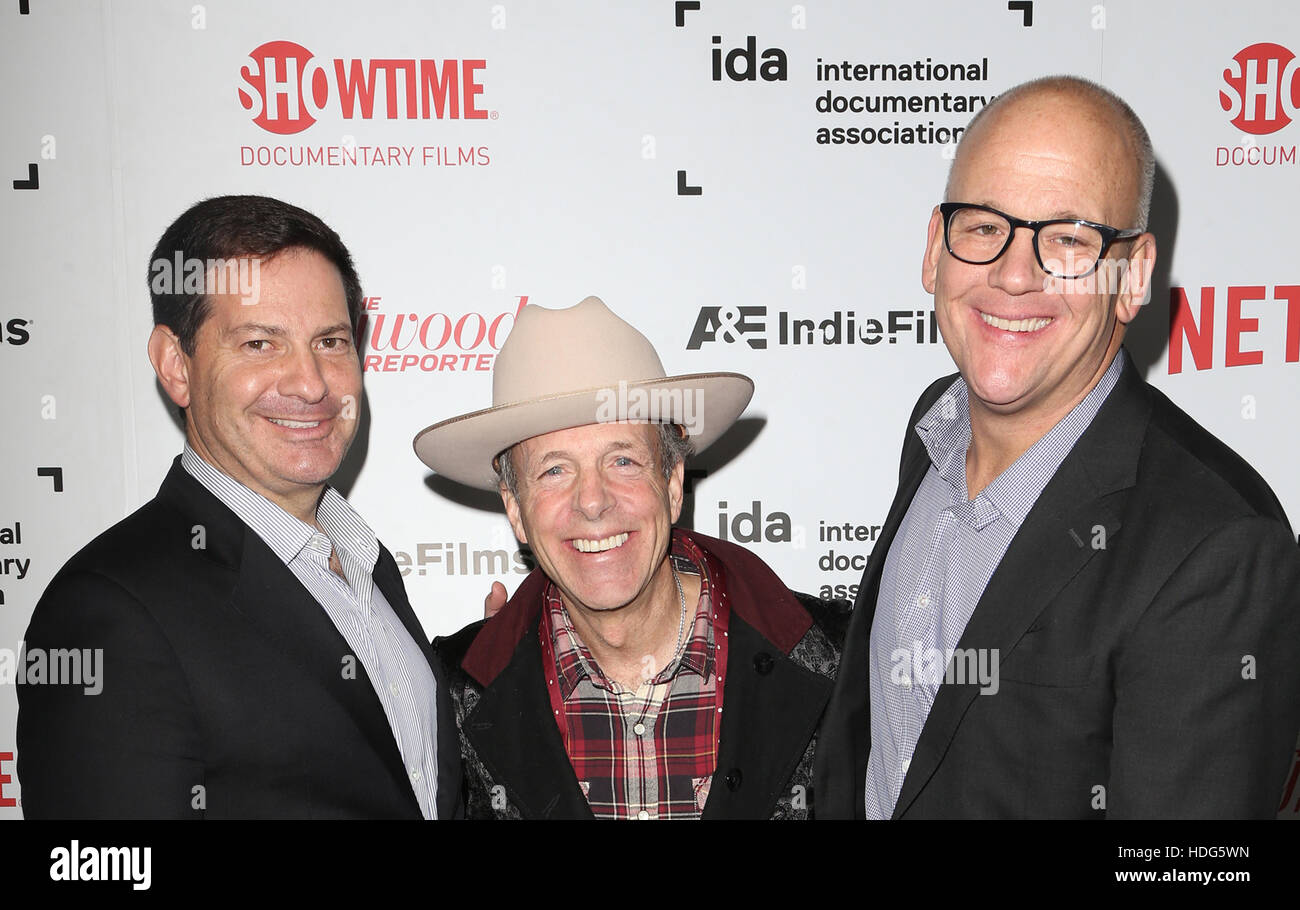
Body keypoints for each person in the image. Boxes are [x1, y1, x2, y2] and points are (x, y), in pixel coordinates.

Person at [814, 75, 1300, 818]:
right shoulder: (934, 434)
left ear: (1132, 276)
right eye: (982, 226)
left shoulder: (1217, 545)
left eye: (1068, 240)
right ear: (933, 252)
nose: (1013, 274)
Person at [17, 194, 459, 818]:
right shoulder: (111, 611)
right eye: (259, 344)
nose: (310, 383)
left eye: (330, 341)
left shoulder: (367, 567)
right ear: (176, 365)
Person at [418, 297, 850, 819]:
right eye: (554, 471)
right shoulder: (455, 697)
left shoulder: (837, 658)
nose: (593, 500)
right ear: (515, 508)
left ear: (672, 484)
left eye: (622, 460)